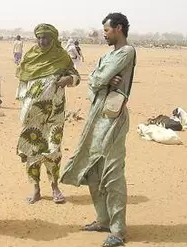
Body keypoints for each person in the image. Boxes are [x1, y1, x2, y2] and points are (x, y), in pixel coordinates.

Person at [60, 13, 136, 247]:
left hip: (113, 120)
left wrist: (100, 78)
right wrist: (99, 79)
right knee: (92, 169)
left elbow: (99, 76)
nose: (103, 34)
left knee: (112, 174)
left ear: (119, 28)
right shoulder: (108, 55)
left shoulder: (126, 52)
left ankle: (118, 230)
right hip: (96, 118)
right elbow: (93, 81)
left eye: (106, 30)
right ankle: (102, 220)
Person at [15, 23, 80, 204]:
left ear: (53, 39)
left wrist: (69, 79)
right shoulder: (30, 56)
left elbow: (76, 76)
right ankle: (35, 188)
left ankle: (54, 187)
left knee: (53, 150)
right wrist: (24, 107)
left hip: (55, 113)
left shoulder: (62, 56)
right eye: (40, 38)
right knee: (32, 150)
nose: (43, 41)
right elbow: (22, 82)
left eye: (46, 38)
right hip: (32, 116)